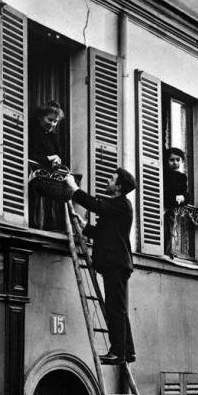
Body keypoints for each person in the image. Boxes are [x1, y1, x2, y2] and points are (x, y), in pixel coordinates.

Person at [65, 168, 137, 364]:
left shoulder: (121, 204)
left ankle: (118, 352)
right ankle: (127, 351)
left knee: (115, 308)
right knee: (118, 308)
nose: (108, 180)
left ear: (119, 186)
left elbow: (96, 205)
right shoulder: (117, 206)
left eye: (112, 179)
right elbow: (104, 233)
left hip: (116, 263)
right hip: (115, 263)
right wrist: (85, 226)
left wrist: (74, 189)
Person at [28, 100, 65, 230]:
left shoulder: (52, 136)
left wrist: (56, 160)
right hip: (32, 177)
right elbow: (29, 153)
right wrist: (49, 158)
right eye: (50, 120)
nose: (53, 124)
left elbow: (58, 153)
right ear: (40, 117)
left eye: (55, 121)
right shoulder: (32, 131)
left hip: (47, 179)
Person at [163, 146, 190, 258]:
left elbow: (186, 194)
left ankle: (169, 251)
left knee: (170, 231)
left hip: (172, 208)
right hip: (164, 206)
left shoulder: (182, 177)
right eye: (172, 160)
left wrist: (182, 197)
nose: (175, 163)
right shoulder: (164, 174)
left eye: (178, 160)